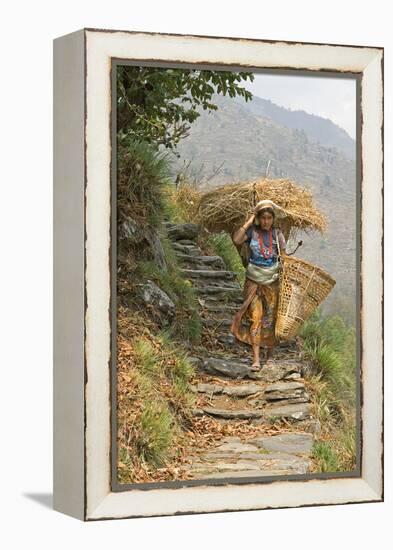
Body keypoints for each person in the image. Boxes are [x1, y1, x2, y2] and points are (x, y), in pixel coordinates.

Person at [230, 199, 287, 370]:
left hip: (272, 282)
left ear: (273, 219)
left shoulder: (278, 235)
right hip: (253, 282)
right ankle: (256, 359)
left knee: (270, 320)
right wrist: (249, 221)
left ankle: (269, 357)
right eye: (263, 218)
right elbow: (237, 239)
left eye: (269, 218)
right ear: (258, 218)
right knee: (255, 318)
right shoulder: (252, 233)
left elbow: (284, 259)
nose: (266, 221)